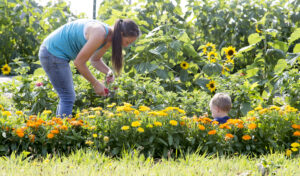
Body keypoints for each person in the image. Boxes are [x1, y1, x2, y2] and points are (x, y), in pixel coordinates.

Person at [39, 19, 140, 117]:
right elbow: (79, 63)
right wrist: (95, 83)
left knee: (66, 96)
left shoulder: (108, 39)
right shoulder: (99, 33)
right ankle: (61, 131)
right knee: (67, 96)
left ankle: (59, 128)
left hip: (57, 54)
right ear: (121, 34)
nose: (126, 46)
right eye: (127, 42)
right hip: (52, 52)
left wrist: (109, 72)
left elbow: (95, 60)